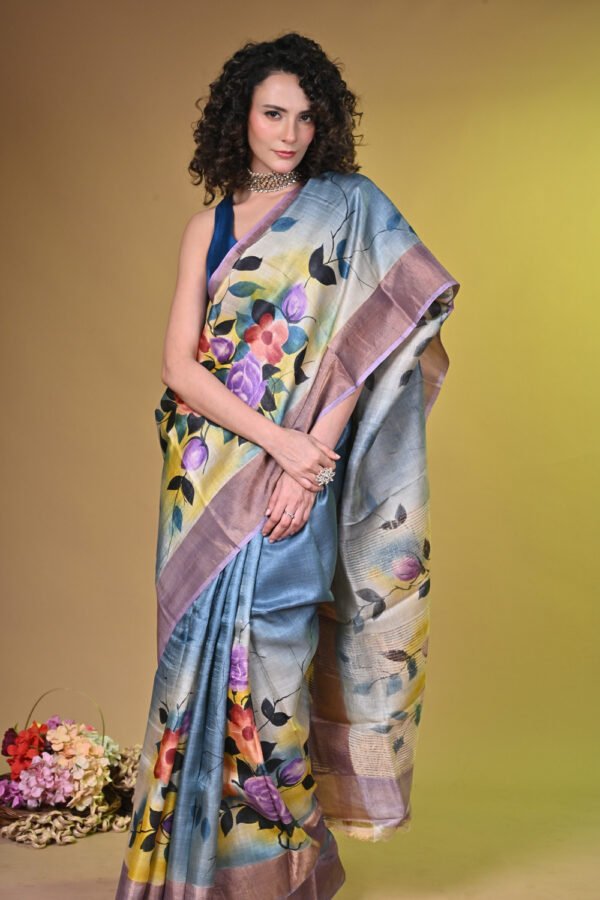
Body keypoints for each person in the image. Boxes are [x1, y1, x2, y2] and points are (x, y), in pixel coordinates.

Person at [115, 31, 460, 900]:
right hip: (206, 483)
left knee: (273, 686)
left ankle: (280, 878)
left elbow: (369, 349)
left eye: (307, 117)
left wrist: (308, 465)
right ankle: (200, 874)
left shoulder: (348, 208)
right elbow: (180, 366)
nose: (290, 133)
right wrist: (279, 444)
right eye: (274, 114)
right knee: (192, 678)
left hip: (296, 483)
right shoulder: (208, 228)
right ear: (242, 116)